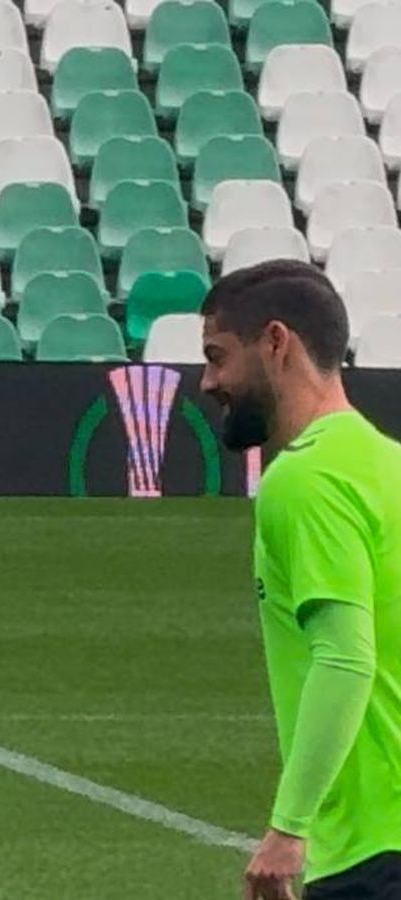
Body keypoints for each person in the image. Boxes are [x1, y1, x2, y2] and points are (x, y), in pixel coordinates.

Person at [198, 260, 401, 900]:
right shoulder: (386, 465)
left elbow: (345, 656)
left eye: (218, 357)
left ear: (276, 343)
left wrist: (289, 830)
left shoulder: (304, 479)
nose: (208, 382)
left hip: (370, 848)